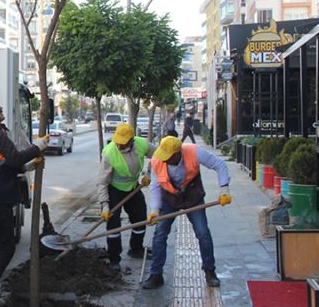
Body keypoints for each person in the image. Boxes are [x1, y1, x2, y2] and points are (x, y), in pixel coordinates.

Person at [0, 100, 48, 304]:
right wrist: (38, 147)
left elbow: (2, 164)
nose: (0, 108)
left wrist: (28, 167)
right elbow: (14, 159)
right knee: (7, 246)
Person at [142, 136, 231, 289]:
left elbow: (220, 165)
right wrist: (155, 210)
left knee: (203, 233)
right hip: (169, 198)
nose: (165, 160)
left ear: (177, 153)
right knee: (159, 234)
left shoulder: (194, 152)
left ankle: (210, 271)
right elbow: (155, 186)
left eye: (168, 157)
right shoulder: (157, 160)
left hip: (192, 196)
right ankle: (156, 275)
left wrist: (224, 190)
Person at [97, 123, 157, 271]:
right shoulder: (109, 153)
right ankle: (114, 258)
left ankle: (136, 248)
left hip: (133, 186)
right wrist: (105, 205)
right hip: (114, 188)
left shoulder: (141, 144)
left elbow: (158, 155)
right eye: (118, 141)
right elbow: (102, 182)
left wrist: (149, 173)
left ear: (132, 140)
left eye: (123, 142)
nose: (120, 145)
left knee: (140, 216)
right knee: (113, 223)